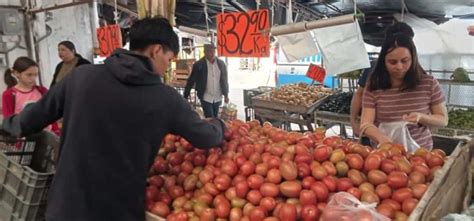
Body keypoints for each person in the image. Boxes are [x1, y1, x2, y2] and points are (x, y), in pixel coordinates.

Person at [2, 17, 225, 221]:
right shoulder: (165, 99)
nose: (168, 64)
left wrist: (6, 127)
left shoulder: (81, 77)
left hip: (66, 207)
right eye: (169, 57)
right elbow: (206, 137)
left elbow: (34, 117)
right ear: (156, 50)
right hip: (117, 211)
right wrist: (219, 123)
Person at [359, 34, 448, 149]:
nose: (399, 67)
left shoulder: (428, 83)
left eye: (405, 61)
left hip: (421, 156)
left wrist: (421, 117)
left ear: (413, 58)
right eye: (392, 62)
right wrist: (381, 138)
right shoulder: (374, 85)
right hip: (384, 155)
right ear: (383, 62)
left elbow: (443, 120)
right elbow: (366, 124)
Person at [351, 22, 415, 141]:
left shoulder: (415, 72)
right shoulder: (374, 68)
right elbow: (359, 94)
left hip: (408, 139)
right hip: (374, 136)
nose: (399, 67)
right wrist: (354, 121)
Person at [2, 57, 60, 135]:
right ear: (17, 73)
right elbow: (8, 122)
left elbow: (51, 114)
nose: (33, 78)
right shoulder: (9, 94)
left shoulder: (42, 91)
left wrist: (57, 132)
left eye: (35, 75)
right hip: (24, 139)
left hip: (46, 137)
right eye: (29, 75)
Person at [184, 44, 229, 118]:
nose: (212, 54)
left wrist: (226, 94)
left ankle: (214, 128)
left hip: (218, 96)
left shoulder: (221, 64)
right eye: (209, 52)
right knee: (210, 119)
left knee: (216, 118)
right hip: (205, 96)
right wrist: (185, 95)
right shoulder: (199, 65)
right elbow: (191, 80)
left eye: (213, 52)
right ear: (205, 52)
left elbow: (224, 80)